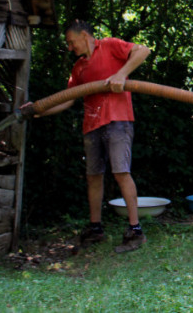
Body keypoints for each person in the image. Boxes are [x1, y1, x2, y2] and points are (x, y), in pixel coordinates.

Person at [28, 20, 151, 254]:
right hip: (92, 124)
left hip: (117, 120)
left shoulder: (111, 46)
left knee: (121, 172)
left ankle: (135, 230)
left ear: (84, 35)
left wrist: (121, 74)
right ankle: (95, 228)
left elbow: (143, 50)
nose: (69, 47)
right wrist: (40, 109)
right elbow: (68, 98)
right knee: (93, 176)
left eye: (71, 41)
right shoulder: (79, 68)